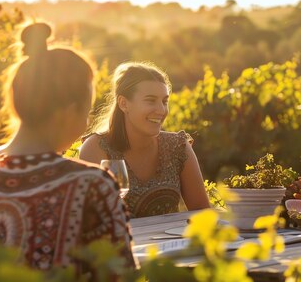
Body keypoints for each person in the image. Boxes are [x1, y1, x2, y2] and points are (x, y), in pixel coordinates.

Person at [0, 22, 136, 271]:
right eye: (87, 112)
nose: (86, 123)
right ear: (68, 112)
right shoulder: (91, 186)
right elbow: (120, 275)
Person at [79, 61, 210, 218]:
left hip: (172, 242)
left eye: (164, 101)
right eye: (150, 100)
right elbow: (95, 221)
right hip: (122, 242)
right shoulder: (97, 148)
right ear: (123, 103)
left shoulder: (178, 146)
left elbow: (203, 214)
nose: (161, 110)